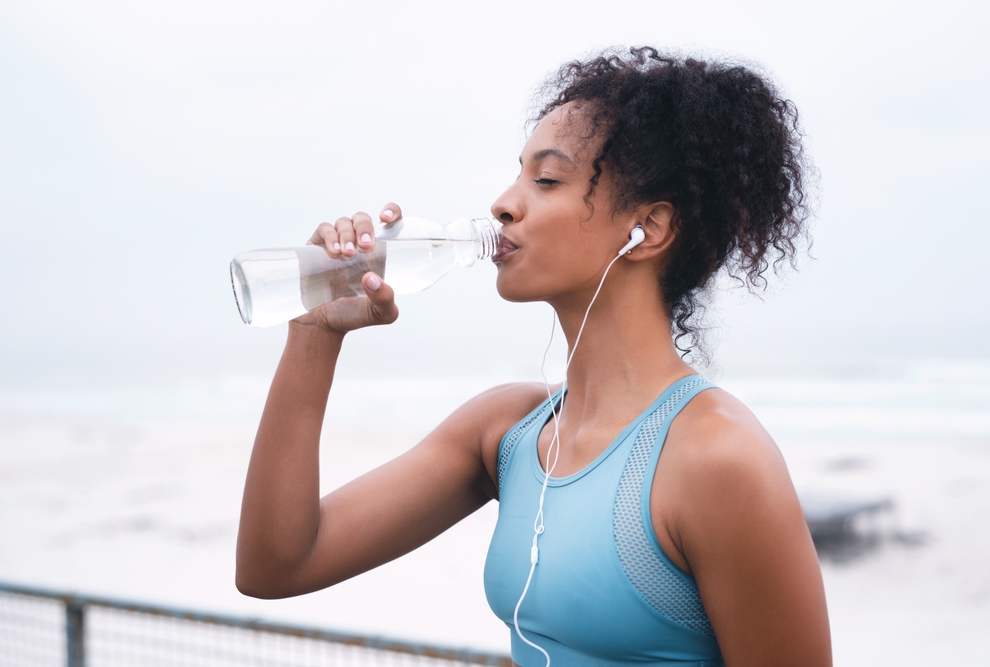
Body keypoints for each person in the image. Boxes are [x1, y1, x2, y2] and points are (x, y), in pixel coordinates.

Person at [236, 47, 831, 667]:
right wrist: (314, 333)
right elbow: (276, 565)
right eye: (517, 175)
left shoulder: (716, 459)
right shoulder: (509, 433)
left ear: (648, 228)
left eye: (546, 180)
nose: (502, 203)